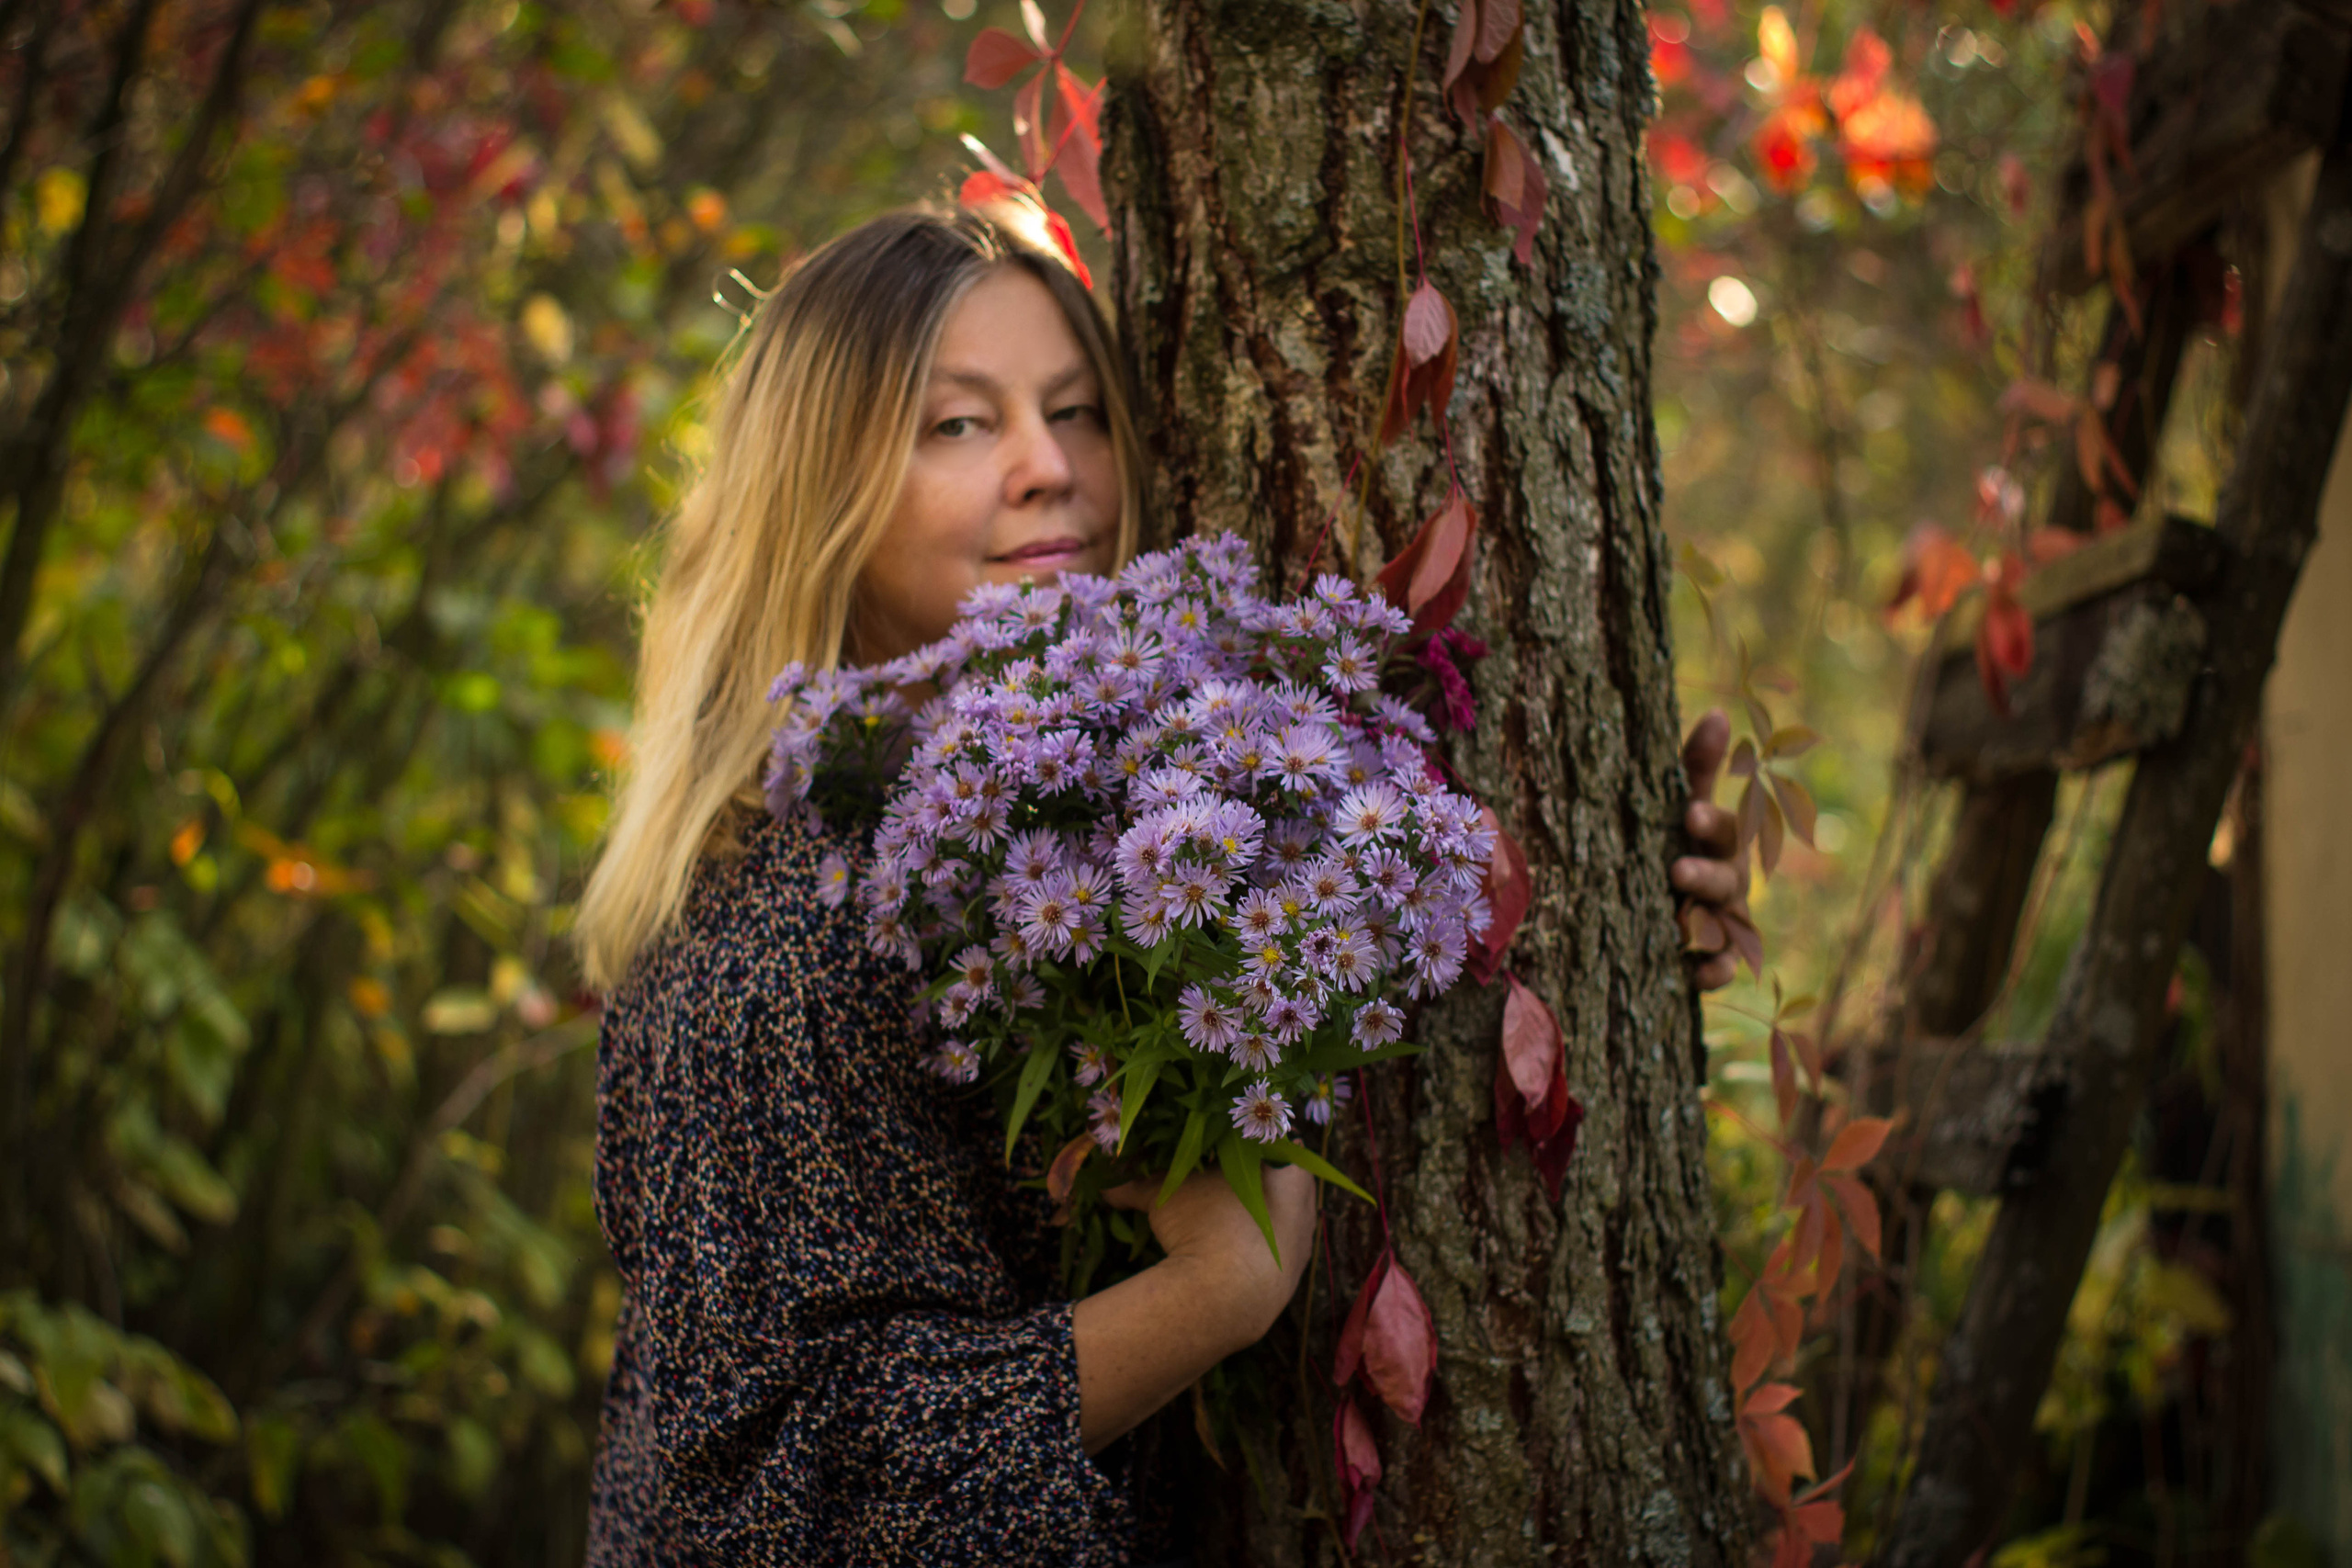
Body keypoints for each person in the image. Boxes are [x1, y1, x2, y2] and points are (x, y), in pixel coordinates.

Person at [572, 203, 1747, 1565]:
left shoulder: (1068, 816)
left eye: (1074, 412)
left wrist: (1614, 927)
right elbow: (782, 1497)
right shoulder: (774, 931)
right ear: (815, 492)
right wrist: (1217, 1291)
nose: (1049, 470)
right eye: (959, 424)